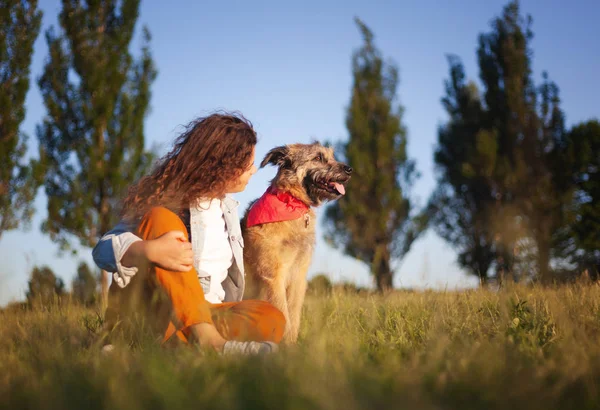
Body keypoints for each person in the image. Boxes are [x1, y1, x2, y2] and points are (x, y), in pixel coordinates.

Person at [93, 113, 285, 355]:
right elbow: (101, 251)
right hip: (157, 310)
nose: (253, 171)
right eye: (247, 163)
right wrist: (148, 250)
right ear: (223, 163)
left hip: (206, 310)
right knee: (160, 218)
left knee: (271, 317)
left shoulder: (228, 210)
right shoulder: (164, 198)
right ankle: (211, 344)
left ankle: (171, 349)